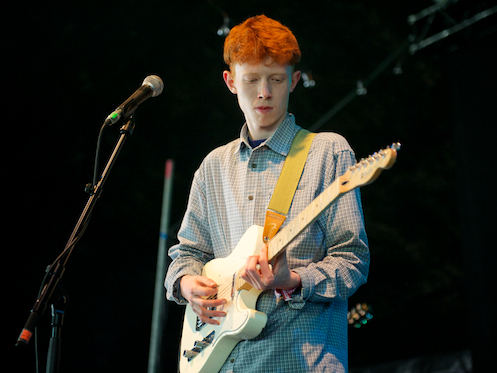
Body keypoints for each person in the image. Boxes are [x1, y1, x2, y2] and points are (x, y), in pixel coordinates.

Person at [165, 14, 369, 373]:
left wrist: (293, 280)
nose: (264, 92)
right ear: (230, 82)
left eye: (276, 79)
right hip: (224, 361)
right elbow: (188, 253)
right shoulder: (213, 167)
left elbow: (353, 261)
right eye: (252, 80)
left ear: (294, 81)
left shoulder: (328, 153)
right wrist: (185, 284)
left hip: (301, 361)